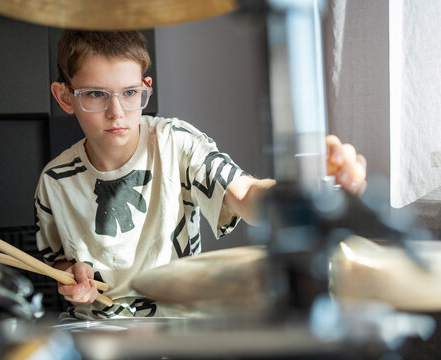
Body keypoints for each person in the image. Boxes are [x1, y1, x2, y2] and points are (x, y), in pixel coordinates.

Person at [34, 30, 367, 320]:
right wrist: (71, 277)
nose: (116, 112)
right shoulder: (54, 181)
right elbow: (58, 263)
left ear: (146, 87)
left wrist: (303, 185)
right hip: (92, 328)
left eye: (130, 92)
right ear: (65, 96)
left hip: (174, 325)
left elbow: (245, 195)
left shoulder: (175, 142)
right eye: (95, 94)